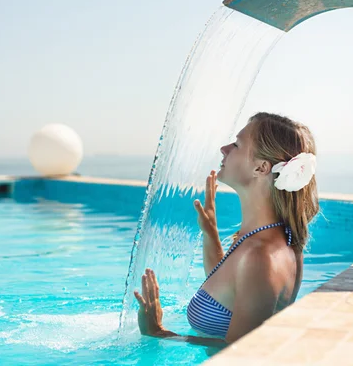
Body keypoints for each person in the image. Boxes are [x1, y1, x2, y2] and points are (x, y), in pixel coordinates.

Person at [134, 112, 319, 348]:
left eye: (237, 144)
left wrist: (159, 333)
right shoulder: (265, 238)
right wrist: (210, 233)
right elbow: (229, 289)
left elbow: (239, 352)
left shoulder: (261, 256)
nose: (224, 148)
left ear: (261, 168)